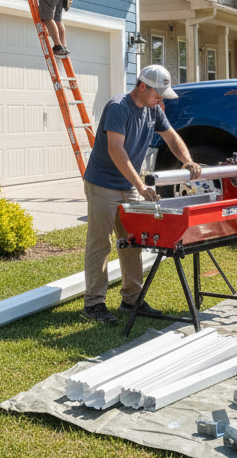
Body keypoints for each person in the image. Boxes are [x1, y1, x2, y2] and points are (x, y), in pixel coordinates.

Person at [80, 64, 203, 325]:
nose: (161, 98)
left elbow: (171, 137)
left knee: (133, 241)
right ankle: (93, 304)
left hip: (128, 184)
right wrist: (140, 186)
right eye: (158, 93)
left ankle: (132, 299)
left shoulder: (153, 110)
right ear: (142, 86)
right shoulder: (118, 107)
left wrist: (187, 161)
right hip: (103, 183)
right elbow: (116, 151)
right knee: (100, 243)